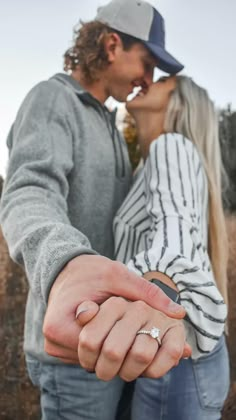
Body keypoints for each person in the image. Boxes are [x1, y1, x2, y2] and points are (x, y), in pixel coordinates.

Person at [0, 1, 192, 419]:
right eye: (147, 62)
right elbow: (29, 191)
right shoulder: (52, 99)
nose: (150, 78)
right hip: (76, 349)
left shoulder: (108, 120)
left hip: (122, 336)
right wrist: (68, 263)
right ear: (110, 45)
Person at [111, 75, 230, 419]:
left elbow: (173, 231)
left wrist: (154, 305)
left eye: (165, 81)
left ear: (179, 103)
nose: (149, 80)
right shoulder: (149, 163)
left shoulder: (170, 147)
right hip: (179, 351)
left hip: (172, 352)